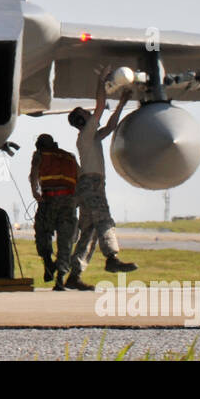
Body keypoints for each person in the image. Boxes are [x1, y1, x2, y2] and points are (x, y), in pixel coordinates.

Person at [64, 76, 137, 291]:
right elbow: (100, 107)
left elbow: (111, 125)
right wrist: (101, 81)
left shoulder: (91, 137)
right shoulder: (86, 135)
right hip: (92, 185)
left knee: (89, 232)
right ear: (82, 120)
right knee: (104, 220)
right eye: (86, 114)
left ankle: (74, 276)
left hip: (90, 185)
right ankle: (112, 258)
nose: (90, 114)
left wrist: (122, 103)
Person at [28, 134, 79, 289]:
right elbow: (80, 175)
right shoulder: (69, 157)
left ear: (39, 145)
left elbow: (34, 171)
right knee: (65, 241)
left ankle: (48, 262)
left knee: (42, 232)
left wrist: (34, 190)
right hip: (68, 202)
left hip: (49, 200)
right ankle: (60, 279)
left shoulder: (41, 154)